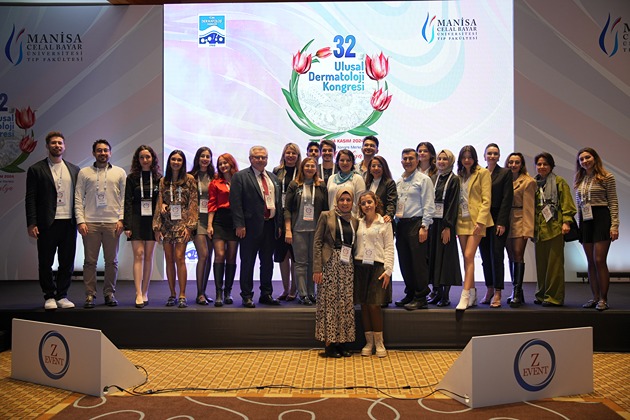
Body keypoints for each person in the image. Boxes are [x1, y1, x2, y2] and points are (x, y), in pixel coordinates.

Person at [25, 131, 80, 310]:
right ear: (47, 146)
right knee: (45, 261)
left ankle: (62, 295)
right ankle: (49, 295)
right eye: (54, 143)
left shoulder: (74, 169)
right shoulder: (36, 169)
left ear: (64, 146)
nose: (57, 145)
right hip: (46, 223)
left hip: (69, 222)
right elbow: (30, 198)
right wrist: (32, 223)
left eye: (60, 143)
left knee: (67, 261)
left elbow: (79, 197)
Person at [75, 139, 126, 308]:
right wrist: (80, 220)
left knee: (112, 262)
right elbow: (78, 197)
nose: (102, 153)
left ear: (110, 153)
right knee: (90, 262)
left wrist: (121, 219)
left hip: (113, 223)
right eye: (99, 150)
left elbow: (124, 198)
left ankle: (109, 293)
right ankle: (90, 294)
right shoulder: (84, 173)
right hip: (90, 223)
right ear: (93, 153)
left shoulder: (119, 172)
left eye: (105, 150)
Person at [231, 145, 283, 308]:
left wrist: (279, 224)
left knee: (267, 262)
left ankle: (266, 294)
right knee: (248, 262)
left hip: (270, 226)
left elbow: (278, 203)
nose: (261, 160)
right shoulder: (240, 177)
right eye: (257, 157)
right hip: (249, 227)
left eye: (263, 157)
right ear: (250, 159)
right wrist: (239, 224)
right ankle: (246, 295)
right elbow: (236, 203)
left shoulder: (273, 178)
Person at [313, 187, 358, 358]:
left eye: (348, 200)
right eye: (342, 200)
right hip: (330, 263)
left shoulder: (355, 220)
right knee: (330, 303)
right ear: (336, 201)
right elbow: (317, 242)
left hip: (347, 265)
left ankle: (342, 342)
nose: (345, 203)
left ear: (352, 202)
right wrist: (317, 268)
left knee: (345, 304)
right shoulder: (326, 216)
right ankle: (329, 344)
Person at [574, 147, 619, 311]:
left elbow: (613, 202)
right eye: (581, 159)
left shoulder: (607, 177)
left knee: (599, 260)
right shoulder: (580, 179)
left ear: (595, 158)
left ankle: (603, 299)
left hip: (601, 218)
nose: (585, 161)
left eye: (587, 157)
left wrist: (614, 225)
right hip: (586, 221)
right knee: (590, 261)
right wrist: (579, 225)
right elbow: (579, 205)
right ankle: (594, 297)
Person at [153, 150, 198, 308]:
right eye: (173, 159)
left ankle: (182, 294)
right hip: (167, 224)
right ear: (169, 161)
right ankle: (172, 294)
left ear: (183, 162)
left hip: (182, 223)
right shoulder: (163, 181)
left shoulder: (189, 179)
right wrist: (157, 226)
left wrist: (190, 226)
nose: (176, 162)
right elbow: (159, 202)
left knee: (180, 258)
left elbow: (193, 203)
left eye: (179, 160)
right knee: (169, 259)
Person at [533, 152, 577, 307]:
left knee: (555, 265)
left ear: (551, 166)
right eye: (539, 164)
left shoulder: (559, 182)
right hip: (539, 230)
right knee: (541, 265)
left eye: (545, 164)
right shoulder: (533, 183)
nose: (542, 167)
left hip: (555, 228)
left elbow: (567, 204)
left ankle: (554, 297)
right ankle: (541, 294)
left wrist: (566, 222)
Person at [394, 148, 435, 310]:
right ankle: (410, 293)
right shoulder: (399, 181)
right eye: (405, 159)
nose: (407, 161)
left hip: (417, 224)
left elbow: (429, 204)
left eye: (411, 158)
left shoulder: (424, 179)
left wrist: (425, 226)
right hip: (401, 225)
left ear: (417, 160)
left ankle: (421, 296)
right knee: (405, 262)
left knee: (418, 263)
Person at [354, 191, 394, 358]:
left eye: (369, 202)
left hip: (377, 267)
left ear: (376, 203)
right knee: (364, 305)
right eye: (363, 203)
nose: (367, 205)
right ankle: (368, 342)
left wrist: (388, 270)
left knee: (374, 305)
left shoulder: (385, 222)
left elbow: (389, 247)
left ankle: (379, 342)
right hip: (360, 266)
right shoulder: (358, 222)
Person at [284, 157, 328, 305]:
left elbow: (325, 209)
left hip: (316, 230)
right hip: (298, 230)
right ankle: (302, 294)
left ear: (316, 169)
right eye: (307, 166)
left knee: (313, 262)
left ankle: (311, 293)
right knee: (301, 263)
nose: (309, 168)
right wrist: (288, 230)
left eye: (312, 166)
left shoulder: (321, 185)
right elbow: (287, 209)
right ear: (302, 168)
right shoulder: (294, 185)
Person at [123, 145, 161, 308]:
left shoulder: (159, 178)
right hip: (136, 219)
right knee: (138, 255)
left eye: (148, 157)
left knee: (149, 256)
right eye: (142, 157)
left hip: (152, 220)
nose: (145, 160)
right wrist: (127, 225)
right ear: (137, 160)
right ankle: (138, 292)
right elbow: (127, 202)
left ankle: (145, 291)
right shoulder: (132, 178)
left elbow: (161, 202)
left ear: (153, 159)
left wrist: (159, 225)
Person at [455, 145, 493, 311]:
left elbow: (486, 199)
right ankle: (472, 293)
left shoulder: (483, 173)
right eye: (464, 157)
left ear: (475, 158)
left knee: (469, 255)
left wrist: (481, 221)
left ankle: (464, 295)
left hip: (477, 221)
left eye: (470, 157)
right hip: (461, 220)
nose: (467, 160)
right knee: (466, 258)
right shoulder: (459, 175)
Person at [478, 143, 513, 307]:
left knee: (497, 256)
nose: (492, 156)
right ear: (484, 156)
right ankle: (489, 289)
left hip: (498, 218)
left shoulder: (505, 173)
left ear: (499, 156)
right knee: (485, 257)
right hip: (482, 219)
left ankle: (498, 291)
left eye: (495, 153)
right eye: (489, 153)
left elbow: (507, 198)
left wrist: (502, 222)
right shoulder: (480, 173)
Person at [427, 149, 462, 307]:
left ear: (451, 161)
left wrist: (448, 227)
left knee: (445, 258)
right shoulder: (433, 178)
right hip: (433, 223)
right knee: (434, 257)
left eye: (445, 159)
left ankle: (446, 296)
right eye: (439, 159)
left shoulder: (454, 180)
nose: (441, 162)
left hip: (445, 225)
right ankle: (436, 292)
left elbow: (453, 204)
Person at [364, 155, 397, 306]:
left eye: (379, 166)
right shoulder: (368, 183)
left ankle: (384, 297)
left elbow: (392, 201)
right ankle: (371, 293)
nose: (376, 168)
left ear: (384, 168)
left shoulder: (389, 183)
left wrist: (389, 215)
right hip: (369, 223)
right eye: (373, 166)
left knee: (384, 259)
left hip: (383, 224)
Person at [208, 153, 239, 307]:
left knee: (231, 257)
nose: (223, 166)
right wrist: (209, 225)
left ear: (231, 163)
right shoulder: (215, 183)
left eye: (225, 163)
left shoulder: (239, 180)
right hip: (219, 220)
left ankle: (228, 292)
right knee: (219, 255)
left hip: (235, 221)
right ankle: (218, 292)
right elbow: (212, 204)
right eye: (220, 164)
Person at [505, 152, 535, 308]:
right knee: (510, 256)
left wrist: (528, 229)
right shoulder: (505, 179)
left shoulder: (528, 181)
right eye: (511, 162)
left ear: (521, 164)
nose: (513, 165)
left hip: (520, 219)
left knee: (518, 254)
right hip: (506, 220)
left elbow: (529, 207)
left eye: (517, 162)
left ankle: (517, 291)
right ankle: (516, 291)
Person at [273, 143, 301, 301]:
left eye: (294, 153)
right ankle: (285, 289)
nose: (290, 156)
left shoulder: (302, 172)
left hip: (297, 218)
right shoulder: (277, 171)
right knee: (283, 256)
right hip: (279, 217)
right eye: (288, 153)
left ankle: (294, 289)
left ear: (298, 156)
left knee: (295, 256)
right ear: (284, 154)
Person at [189, 146, 215, 305]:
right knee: (203, 255)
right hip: (197, 220)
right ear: (197, 158)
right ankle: (199, 293)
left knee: (209, 257)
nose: (205, 159)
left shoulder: (214, 177)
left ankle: (204, 291)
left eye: (208, 156)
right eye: (202, 156)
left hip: (212, 220)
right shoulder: (190, 177)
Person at [327, 149, 366, 214]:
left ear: (352, 162)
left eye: (348, 160)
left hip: (351, 218)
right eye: (342, 160)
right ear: (337, 162)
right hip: (332, 217)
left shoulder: (358, 179)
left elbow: (361, 202)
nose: (345, 163)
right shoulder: (331, 178)